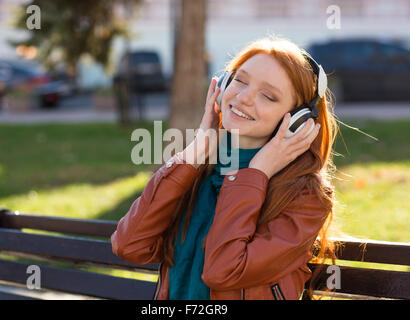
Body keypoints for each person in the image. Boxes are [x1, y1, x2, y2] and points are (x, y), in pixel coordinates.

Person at [111, 37, 339, 300]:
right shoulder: (198, 172)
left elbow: (223, 271)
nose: (243, 98)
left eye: (268, 96)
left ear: (298, 121)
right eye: (240, 80)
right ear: (223, 85)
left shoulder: (305, 198)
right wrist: (195, 151)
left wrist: (256, 174)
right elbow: (130, 245)